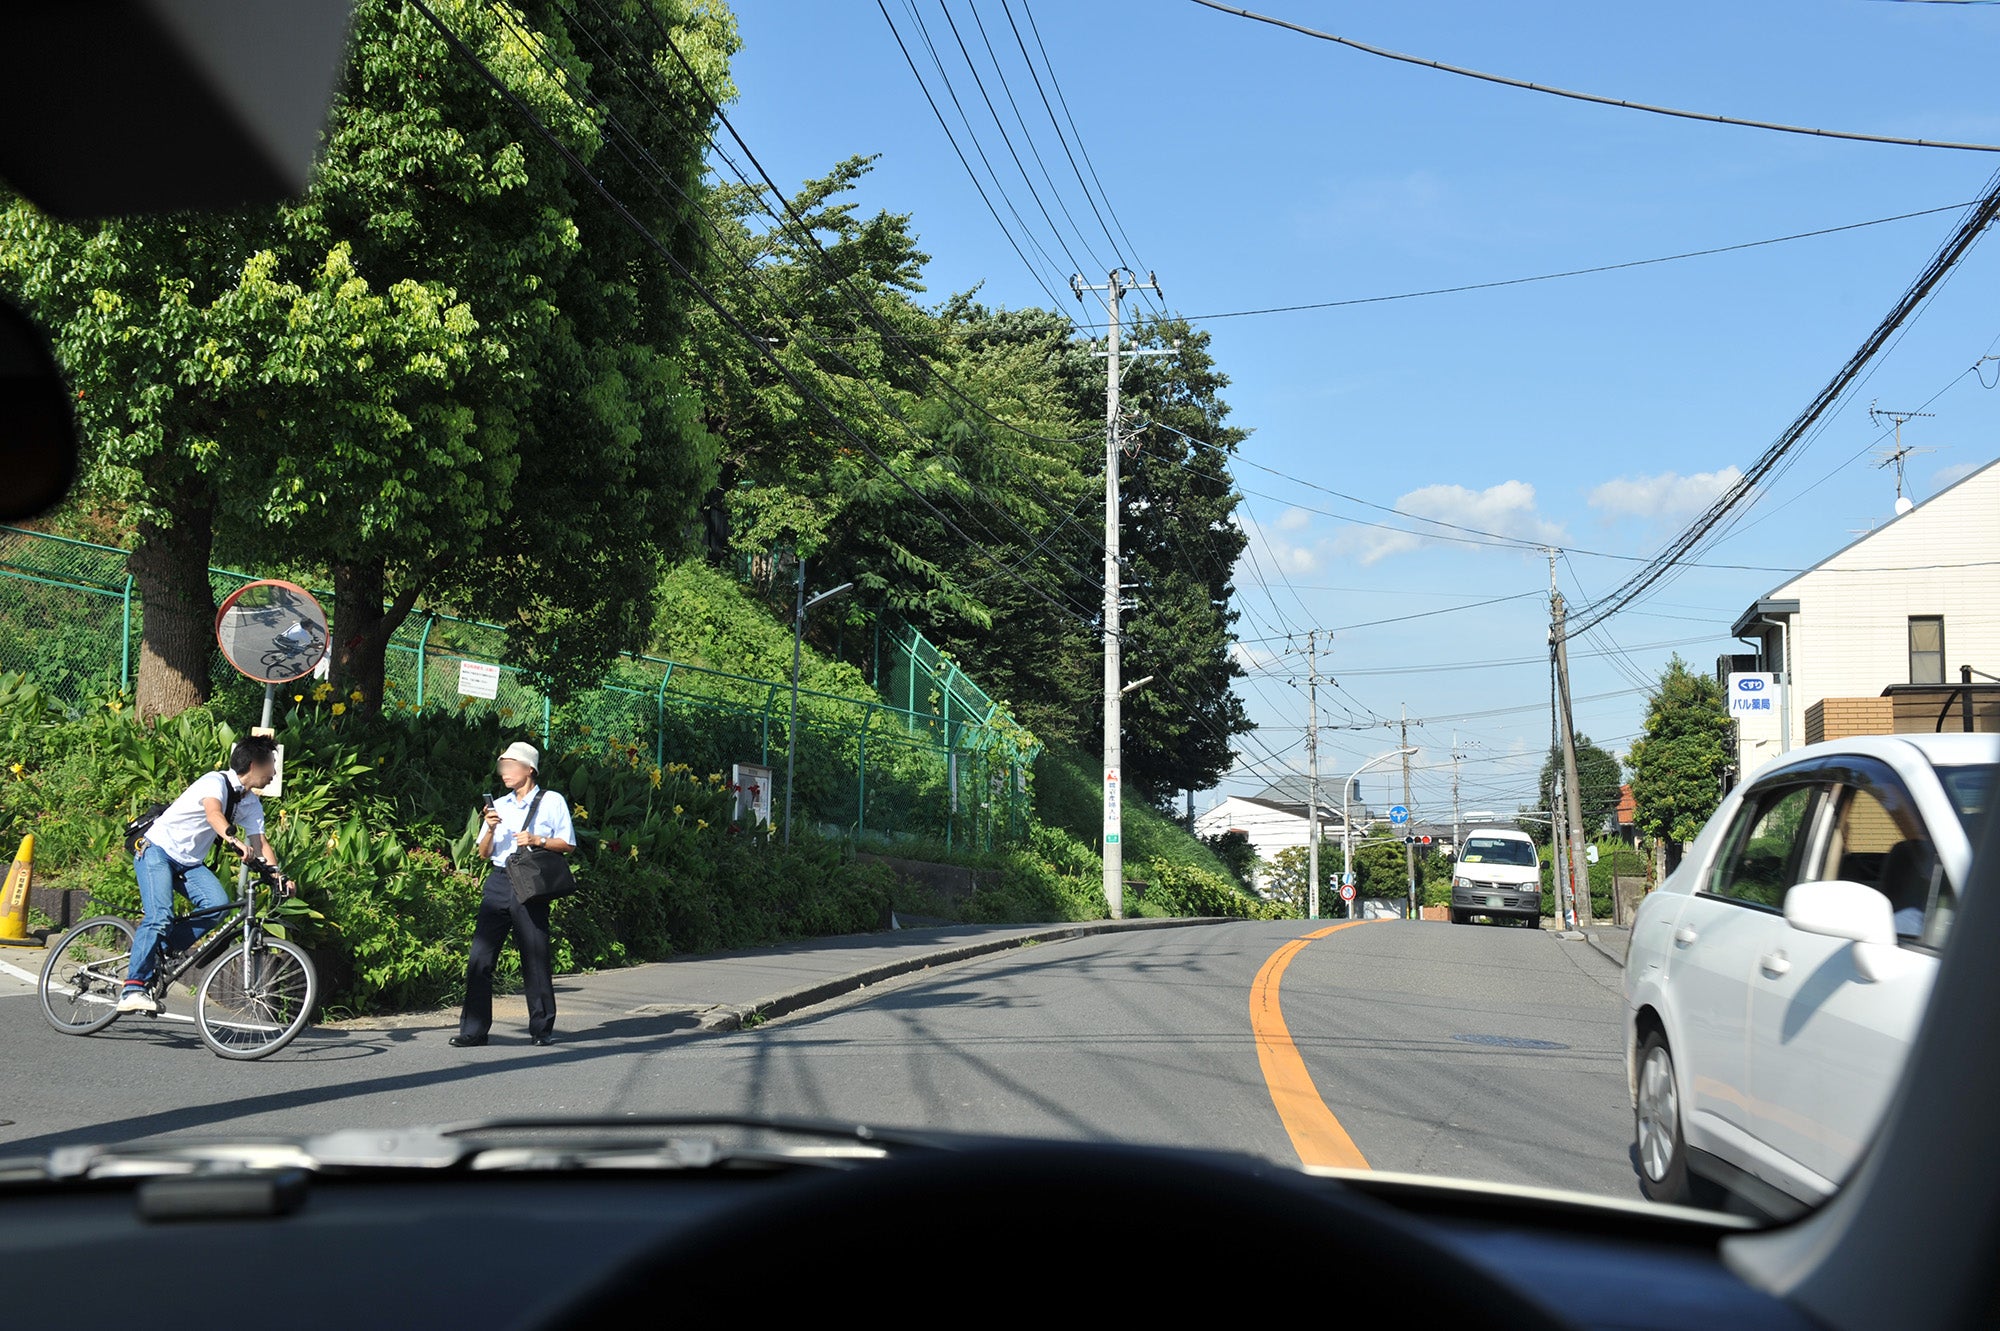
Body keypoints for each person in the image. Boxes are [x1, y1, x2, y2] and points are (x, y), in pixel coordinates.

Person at [120, 735, 286, 1013]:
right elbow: (213, 814)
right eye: (271, 765)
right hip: (157, 851)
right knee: (160, 915)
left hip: (189, 862)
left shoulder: (250, 803)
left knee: (217, 906)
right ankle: (132, 989)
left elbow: (261, 843)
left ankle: (161, 950)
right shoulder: (214, 782)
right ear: (255, 765)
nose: (274, 773)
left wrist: (278, 876)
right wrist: (233, 841)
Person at [453, 740, 574, 1047]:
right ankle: (473, 1031)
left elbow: (568, 844)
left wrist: (538, 839)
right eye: (502, 766)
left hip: (530, 883)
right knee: (479, 958)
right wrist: (490, 827)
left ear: (529, 769)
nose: (504, 772)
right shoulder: (500, 805)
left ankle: (542, 1029)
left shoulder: (552, 801)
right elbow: (483, 853)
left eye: (511, 766)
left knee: (535, 956)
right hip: (497, 880)